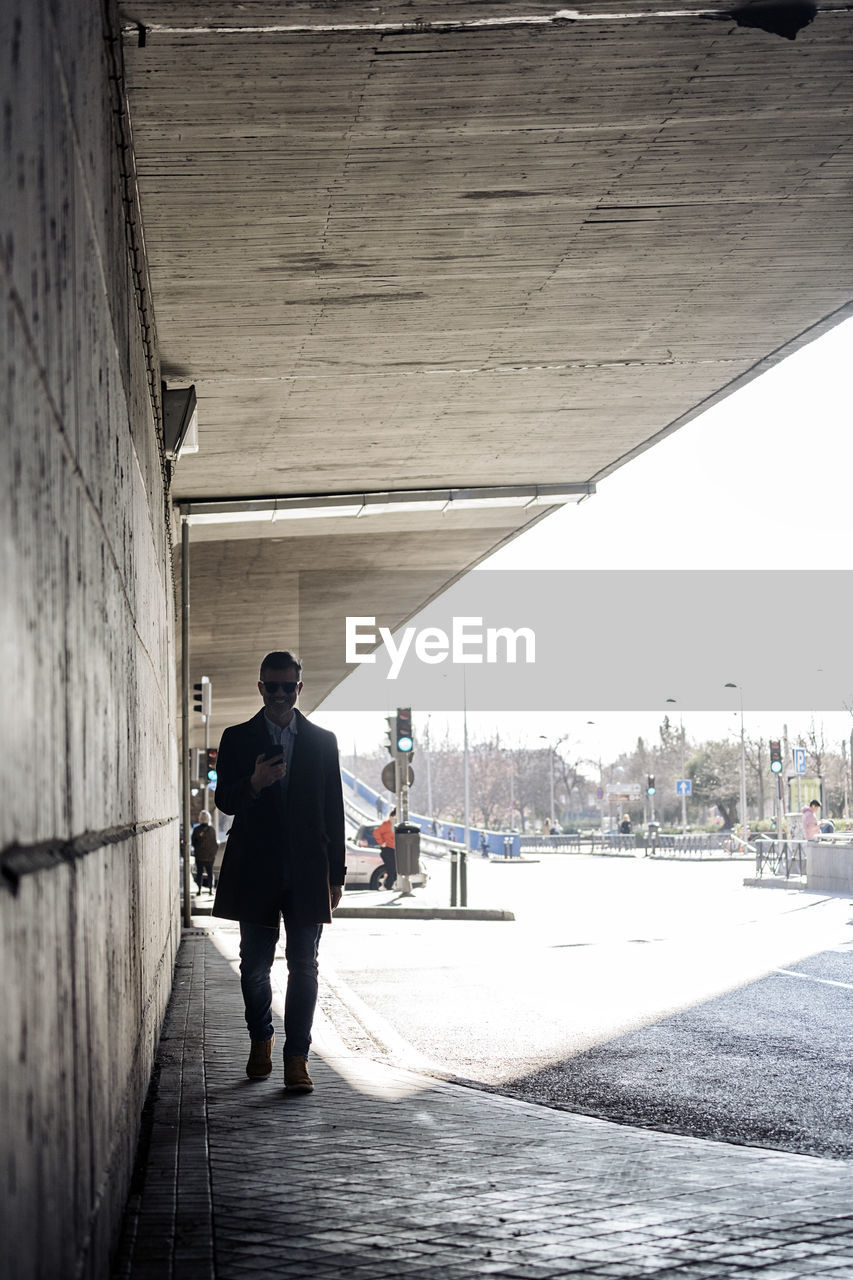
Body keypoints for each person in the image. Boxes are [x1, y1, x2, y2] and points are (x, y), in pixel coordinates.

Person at [212, 651, 345, 1094]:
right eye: (273, 686)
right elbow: (224, 802)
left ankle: (297, 1058)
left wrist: (337, 876)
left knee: (304, 967)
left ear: (300, 688)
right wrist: (253, 783)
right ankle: (261, 1038)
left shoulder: (322, 741)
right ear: (261, 687)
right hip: (257, 870)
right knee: (254, 966)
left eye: (290, 686)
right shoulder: (236, 737)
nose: (282, 694)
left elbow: (334, 813)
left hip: (308, 872)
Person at [191, 809, 218, 893]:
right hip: (210, 857)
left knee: (199, 873)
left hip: (199, 856)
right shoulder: (212, 830)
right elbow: (215, 843)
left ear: (200, 818)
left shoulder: (196, 830)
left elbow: (193, 843)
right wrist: (213, 853)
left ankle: (199, 890)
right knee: (210, 873)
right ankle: (210, 890)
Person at [373, 807, 397, 890]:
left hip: (394, 849)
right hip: (388, 849)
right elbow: (376, 832)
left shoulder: (396, 825)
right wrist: (382, 842)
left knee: (394, 869)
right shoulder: (387, 824)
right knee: (392, 869)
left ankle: (389, 885)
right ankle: (388, 886)